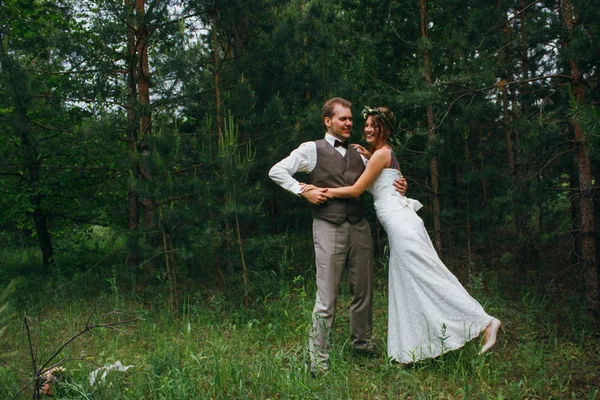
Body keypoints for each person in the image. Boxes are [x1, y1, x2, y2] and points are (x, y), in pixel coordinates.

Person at [302, 106, 501, 363]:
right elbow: (388, 179)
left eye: (374, 125)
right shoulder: (381, 154)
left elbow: (355, 190)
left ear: (385, 128)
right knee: (410, 282)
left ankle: (484, 322)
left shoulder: (379, 155)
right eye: (367, 125)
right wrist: (369, 155)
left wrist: (320, 189)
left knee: (430, 277)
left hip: (402, 226)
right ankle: (413, 348)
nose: (368, 129)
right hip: (401, 224)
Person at [268, 98, 408, 374]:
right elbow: (277, 171)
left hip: (359, 226)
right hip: (328, 226)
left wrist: (399, 185)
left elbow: (372, 185)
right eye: (343, 119)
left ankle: (362, 344)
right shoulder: (312, 149)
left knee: (363, 290)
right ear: (327, 121)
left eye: (351, 119)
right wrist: (303, 190)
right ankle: (318, 361)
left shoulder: (361, 152)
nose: (349, 123)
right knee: (327, 296)